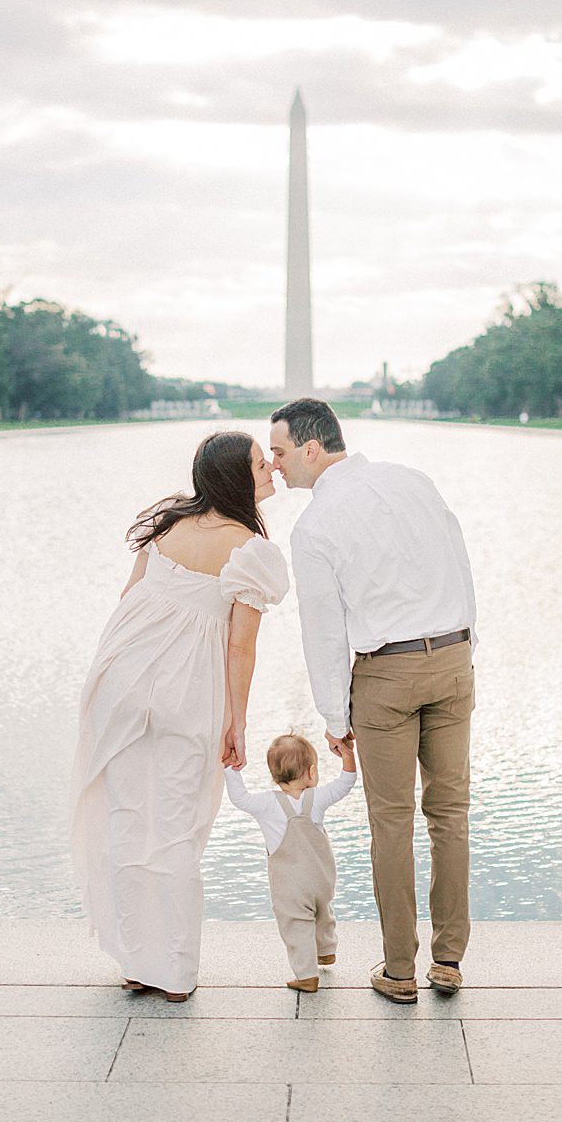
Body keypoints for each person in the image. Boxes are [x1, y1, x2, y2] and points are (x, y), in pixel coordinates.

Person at [270, 397, 478, 1006]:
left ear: (312, 448)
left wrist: (335, 719)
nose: (276, 466)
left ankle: (398, 970)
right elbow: (460, 566)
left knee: (392, 822)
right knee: (451, 813)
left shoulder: (314, 526)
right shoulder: (414, 481)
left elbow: (323, 631)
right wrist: (465, 650)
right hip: (453, 658)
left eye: (280, 452)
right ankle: (449, 960)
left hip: (386, 676)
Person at [70, 430, 288, 1002]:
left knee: (128, 819)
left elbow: (129, 599)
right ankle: (172, 971)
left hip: (123, 680)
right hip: (187, 693)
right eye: (260, 464)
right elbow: (241, 646)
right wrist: (237, 720)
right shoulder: (252, 550)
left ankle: (136, 962)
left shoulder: (167, 525)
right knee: (176, 829)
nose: (271, 469)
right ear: (235, 478)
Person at [223, 730, 356, 992]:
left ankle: (306, 975)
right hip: (322, 879)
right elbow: (345, 783)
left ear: (274, 775)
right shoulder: (317, 798)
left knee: (297, 923)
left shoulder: (266, 804)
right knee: (322, 911)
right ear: (312, 772)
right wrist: (348, 757)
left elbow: (239, 799)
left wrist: (231, 769)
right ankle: (326, 950)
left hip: (290, 886)